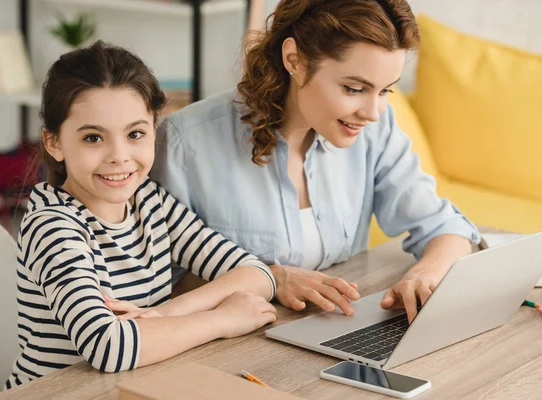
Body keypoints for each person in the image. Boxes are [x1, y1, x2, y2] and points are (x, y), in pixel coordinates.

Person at [150, 0, 480, 324]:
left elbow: (447, 228)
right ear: (295, 59)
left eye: (385, 92)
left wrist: (424, 275)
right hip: (227, 345)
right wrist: (270, 279)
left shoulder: (374, 129)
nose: (372, 112)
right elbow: (159, 286)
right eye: (354, 89)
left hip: (333, 326)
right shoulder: (186, 141)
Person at [5, 41, 278, 389]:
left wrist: (167, 313)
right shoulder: (53, 226)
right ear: (54, 142)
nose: (119, 156)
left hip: (136, 387)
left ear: (154, 130)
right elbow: (107, 346)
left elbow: (257, 274)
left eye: (135, 134)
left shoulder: (148, 201)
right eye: (93, 138)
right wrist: (222, 319)